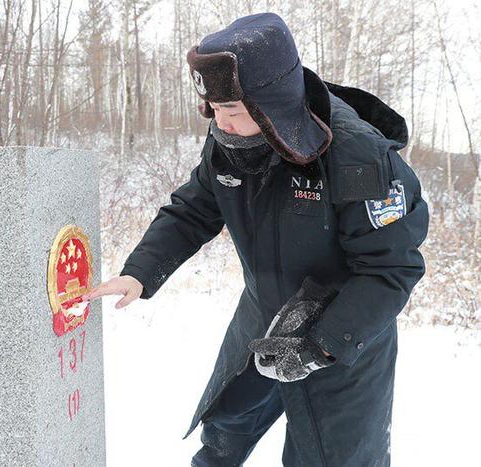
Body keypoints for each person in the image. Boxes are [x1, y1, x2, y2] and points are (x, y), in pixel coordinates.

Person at [84, 13, 428, 466]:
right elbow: (193, 210)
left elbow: (390, 269)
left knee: (330, 458)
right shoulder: (230, 144)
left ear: (275, 107)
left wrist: (321, 345)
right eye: (215, 111)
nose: (221, 124)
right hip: (264, 317)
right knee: (225, 428)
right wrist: (139, 273)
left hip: (345, 337)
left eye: (233, 112)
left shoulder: (357, 157)